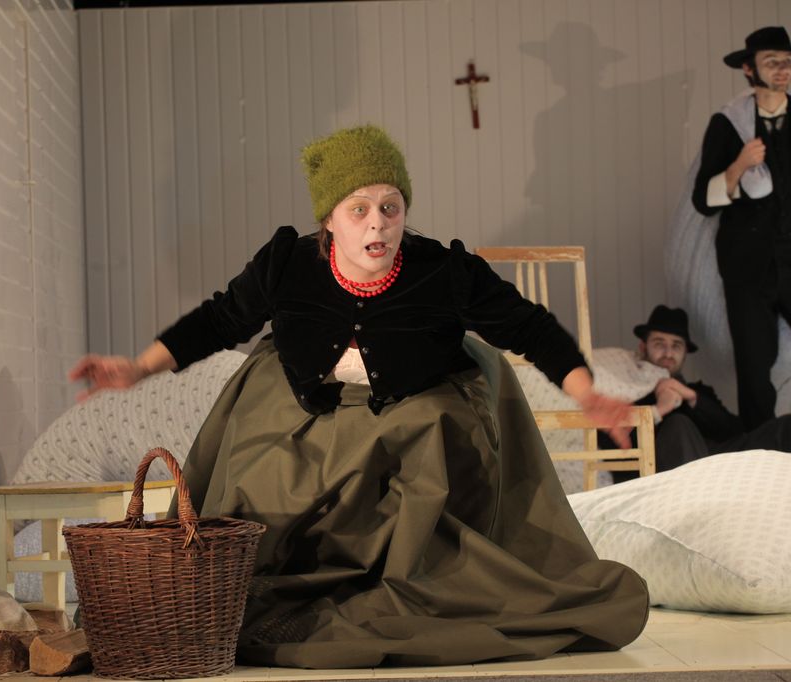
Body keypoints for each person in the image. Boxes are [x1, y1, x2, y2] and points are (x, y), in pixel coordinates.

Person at [69, 125, 648, 668]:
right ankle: (247, 593)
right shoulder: (287, 264)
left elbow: (529, 326)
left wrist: (586, 391)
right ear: (330, 219)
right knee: (261, 474)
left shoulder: (443, 271)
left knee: (422, 445)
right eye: (360, 210)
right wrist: (138, 368)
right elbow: (220, 319)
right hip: (307, 402)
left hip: (414, 401)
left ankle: (410, 582)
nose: (379, 226)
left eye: (391, 208)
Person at [691, 26, 791, 431]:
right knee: (754, 366)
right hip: (747, 268)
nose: (783, 69)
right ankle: (761, 450)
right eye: (772, 62)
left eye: (788, 62)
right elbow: (703, 199)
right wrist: (739, 165)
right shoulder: (728, 125)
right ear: (749, 69)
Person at [603, 305, 791, 484]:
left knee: (785, 426)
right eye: (659, 344)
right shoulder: (629, 390)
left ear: (685, 353)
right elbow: (609, 446)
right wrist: (658, 410)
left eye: (676, 346)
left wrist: (692, 398)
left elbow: (736, 431)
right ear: (643, 348)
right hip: (663, 471)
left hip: (713, 461)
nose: (668, 353)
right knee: (678, 424)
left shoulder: (699, 392)